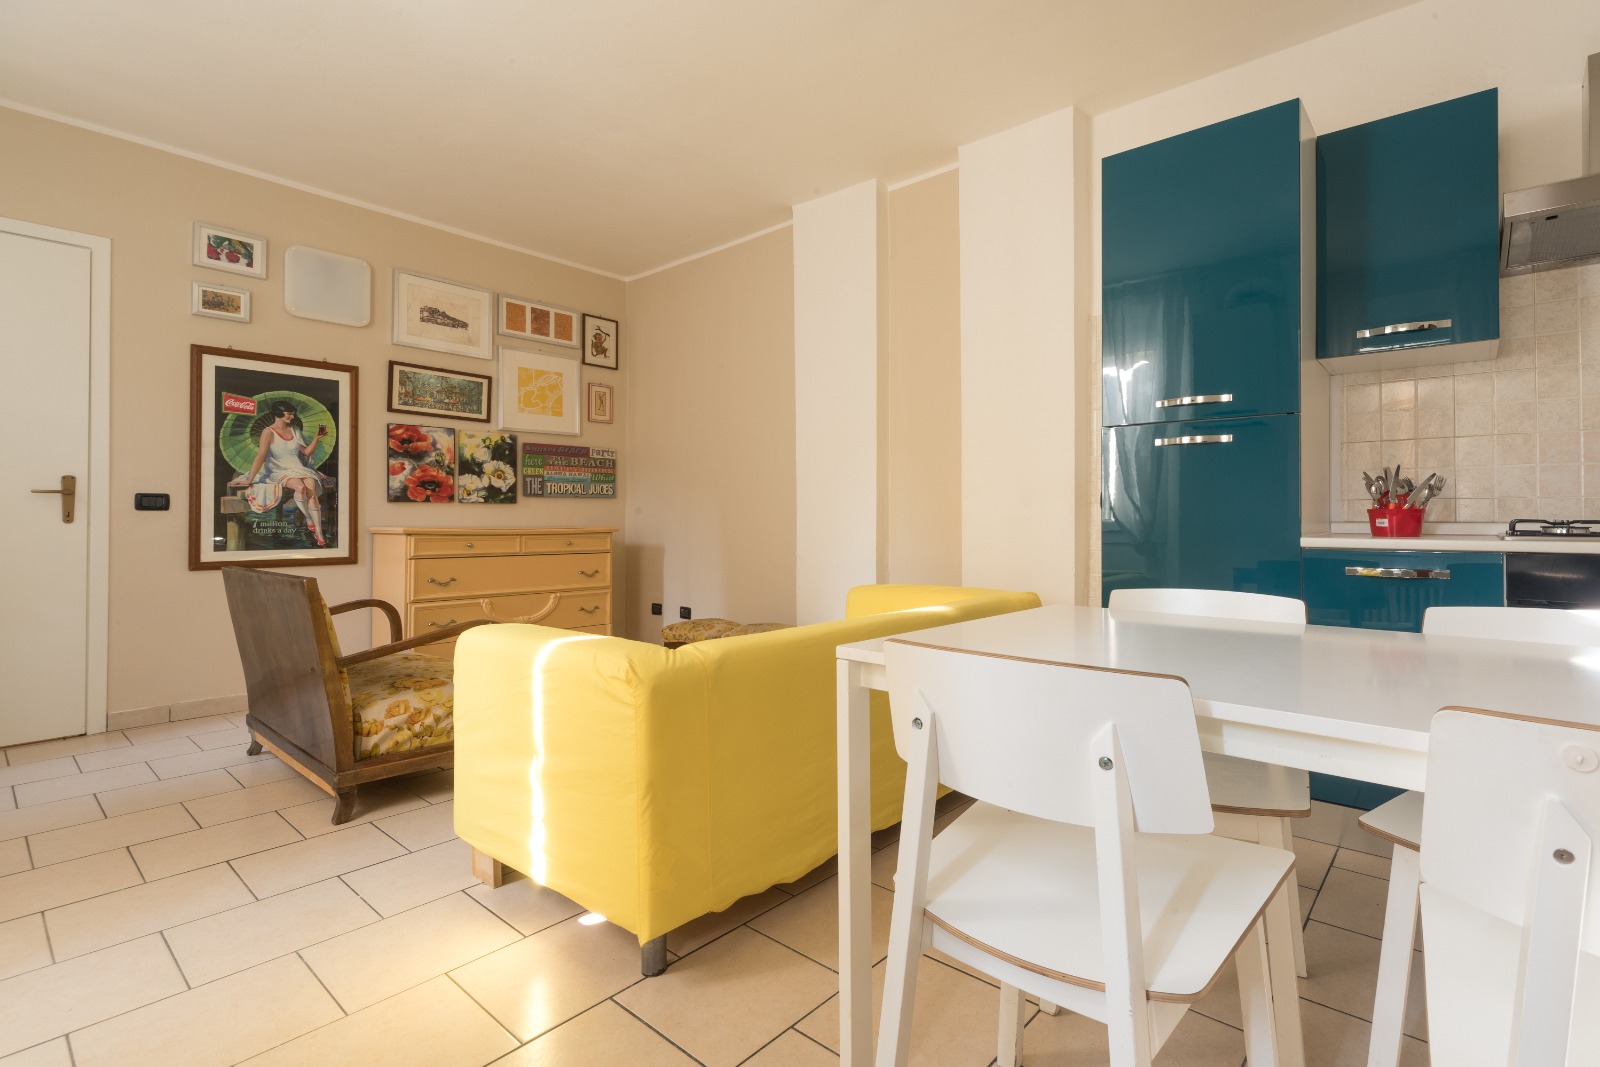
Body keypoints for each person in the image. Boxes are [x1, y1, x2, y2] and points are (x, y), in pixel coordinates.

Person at [229, 400, 330, 547]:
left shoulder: (295, 430)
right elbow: (261, 456)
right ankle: (308, 518)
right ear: (278, 414)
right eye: (289, 414)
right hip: (278, 470)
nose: (292, 417)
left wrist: (317, 438)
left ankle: (319, 533)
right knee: (300, 488)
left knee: (311, 489)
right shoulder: (268, 432)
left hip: (298, 468)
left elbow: (307, 452)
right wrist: (249, 479)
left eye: (293, 414)